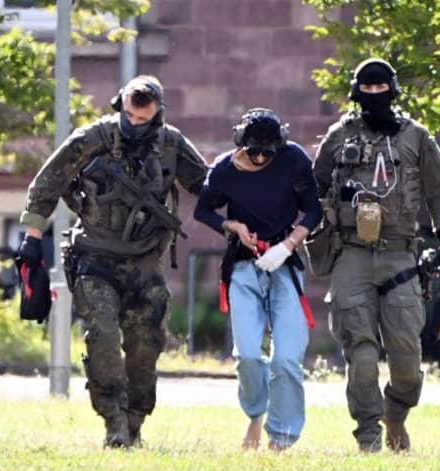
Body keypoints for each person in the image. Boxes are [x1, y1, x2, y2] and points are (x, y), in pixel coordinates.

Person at [18, 75, 207, 448]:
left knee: (145, 344)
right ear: (120, 106)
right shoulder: (93, 139)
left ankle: (135, 422)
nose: (134, 125)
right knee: (102, 337)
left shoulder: (170, 144)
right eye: (129, 117)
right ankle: (113, 423)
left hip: (144, 261)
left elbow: (208, 185)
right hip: (95, 257)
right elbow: (47, 183)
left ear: (157, 114)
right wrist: (32, 237)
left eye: (143, 119)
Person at [311, 58, 440, 453]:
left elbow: (439, 190)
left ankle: (395, 416)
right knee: (360, 354)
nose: (373, 95)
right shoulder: (339, 136)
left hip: (401, 255)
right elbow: (312, 183)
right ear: (355, 92)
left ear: (392, 91)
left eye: (381, 89)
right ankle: (369, 436)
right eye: (367, 89)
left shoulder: (416, 137)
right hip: (352, 254)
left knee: (407, 361)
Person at [194, 108, 322, 451]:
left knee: (287, 358)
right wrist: (232, 227)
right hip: (243, 266)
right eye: (255, 151)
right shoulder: (224, 169)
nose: (263, 157)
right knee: (248, 354)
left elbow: (313, 210)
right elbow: (203, 210)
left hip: (284, 264)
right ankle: (255, 414)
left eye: (270, 151)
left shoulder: (293, 160)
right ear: (242, 144)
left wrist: (288, 245)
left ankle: (281, 437)